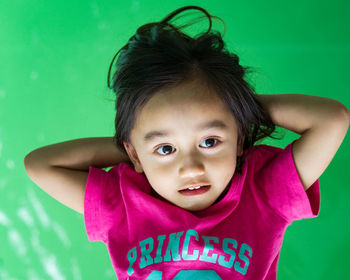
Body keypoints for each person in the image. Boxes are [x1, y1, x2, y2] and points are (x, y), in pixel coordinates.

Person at [24, 5, 349, 280]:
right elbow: (40, 165)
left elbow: (332, 119)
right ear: (134, 152)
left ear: (237, 139)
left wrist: (239, 109)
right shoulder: (123, 204)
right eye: (166, 149)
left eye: (209, 141)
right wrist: (136, 153)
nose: (190, 167)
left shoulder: (263, 195)